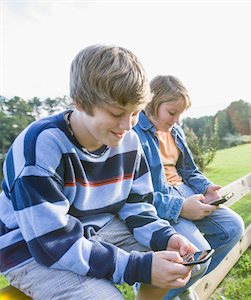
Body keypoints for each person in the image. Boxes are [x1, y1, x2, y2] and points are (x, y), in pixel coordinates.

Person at [0, 45, 198, 300]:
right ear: (80, 102)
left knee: (177, 263)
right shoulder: (40, 146)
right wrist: (138, 266)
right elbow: (52, 244)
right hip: (31, 248)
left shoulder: (128, 140)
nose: (127, 126)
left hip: (98, 225)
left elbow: (137, 206)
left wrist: (164, 237)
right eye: (117, 113)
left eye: (136, 113)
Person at [133, 75, 245, 299]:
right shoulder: (134, 134)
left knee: (234, 227)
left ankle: (177, 286)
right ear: (152, 103)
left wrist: (207, 188)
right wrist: (181, 208)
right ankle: (152, 292)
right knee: (197, 257)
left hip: (186, 191)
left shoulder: (175, 130)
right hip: (164, 201)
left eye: (180, 114)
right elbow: (138, 194)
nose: (176, 119)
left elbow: (189, 170)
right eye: (172, 112)